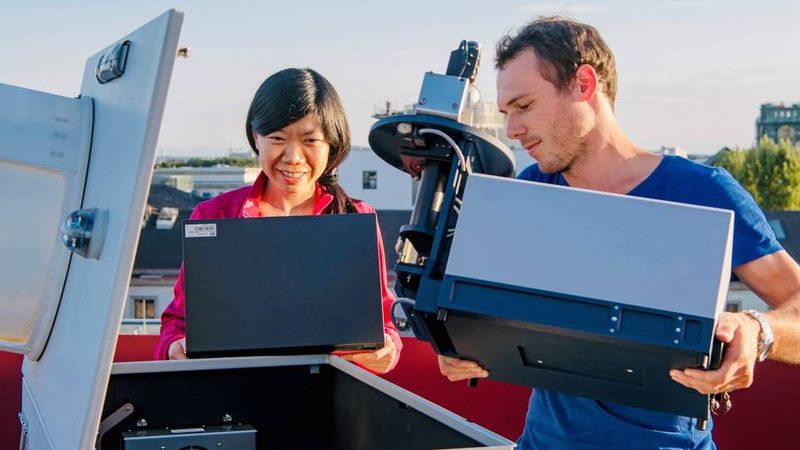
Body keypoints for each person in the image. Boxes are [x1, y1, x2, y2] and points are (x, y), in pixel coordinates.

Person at [437, 16, 800, 449]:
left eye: (525, 106)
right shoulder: (530, 192)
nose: (512, 130)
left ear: (584, 85)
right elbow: (482, 308)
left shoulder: (703, 191)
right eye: (506, 113)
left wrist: (759, 330)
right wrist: (456, 344)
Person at [155, 68, 402, 374]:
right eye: (277, 138)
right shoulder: (214, 216)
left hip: (329, 398)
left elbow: (384, 322)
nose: (293, 157)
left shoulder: (356, 218)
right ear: (256, 138)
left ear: (331, 145)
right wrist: (173, 345)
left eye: (311, 140)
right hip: (235, 396)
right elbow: (176, 323)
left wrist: (388, 349)